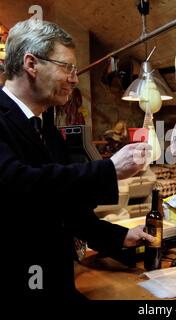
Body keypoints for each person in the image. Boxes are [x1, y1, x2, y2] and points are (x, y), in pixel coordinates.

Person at [0, 19, 154, 300]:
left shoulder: (44, 125)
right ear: (31, 64)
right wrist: (109, 170)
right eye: (66, 67)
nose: (74, 78)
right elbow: (18, 185)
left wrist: (118, 237)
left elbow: (62, 205)